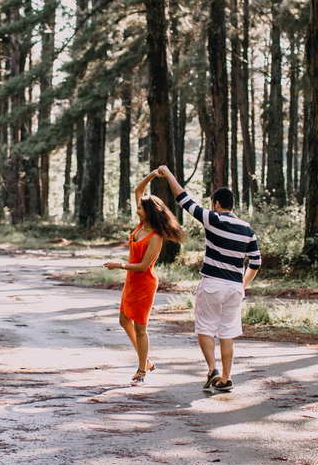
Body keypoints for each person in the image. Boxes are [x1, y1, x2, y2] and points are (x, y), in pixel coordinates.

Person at [156, 165, 260, 393]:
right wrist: (242, 284)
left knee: (205, 328)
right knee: (228, 332)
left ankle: (212, 369)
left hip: (212, 283)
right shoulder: (247, 229)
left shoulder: (212, 219)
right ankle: (226, 378)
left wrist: (168, 174)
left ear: (216, 204)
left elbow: (183, 200)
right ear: (232, 205)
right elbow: (256, 263)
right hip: (234, 288)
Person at [104, 168, 187, 385]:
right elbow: (138, 189)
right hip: (131, 281)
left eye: (140, 208)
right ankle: (146, 360)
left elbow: (142, 266)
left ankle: (142, 372)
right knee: (124, 321)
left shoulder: (156, 236)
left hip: (144, 282)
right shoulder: (142, 225)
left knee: (140, 328)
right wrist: (153, 174)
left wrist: (119, 265)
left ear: (148, 211)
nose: (137, 210)